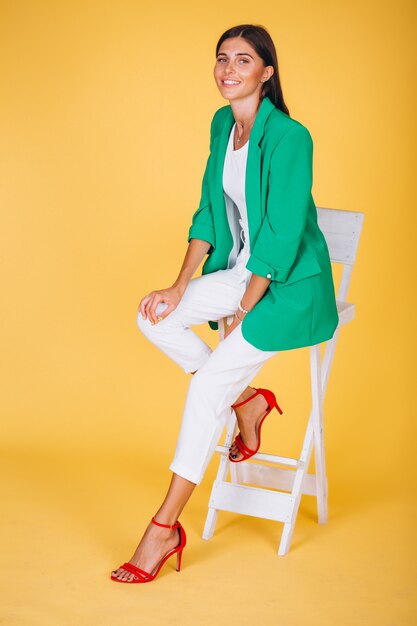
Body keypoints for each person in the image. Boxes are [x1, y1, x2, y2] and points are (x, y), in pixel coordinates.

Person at [111, 23, 339, 584]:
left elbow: (283, 234)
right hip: (240, 272)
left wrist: (244, 307)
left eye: (243, 60)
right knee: (153, 317)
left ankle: (164, 529)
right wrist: (179, 286)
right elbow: (209, 214)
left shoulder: (290, 137)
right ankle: (247, 402)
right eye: (221, 59)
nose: (228, 70)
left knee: (204, 385)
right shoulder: (222, 125)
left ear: (267, 72)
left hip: (287, 286)